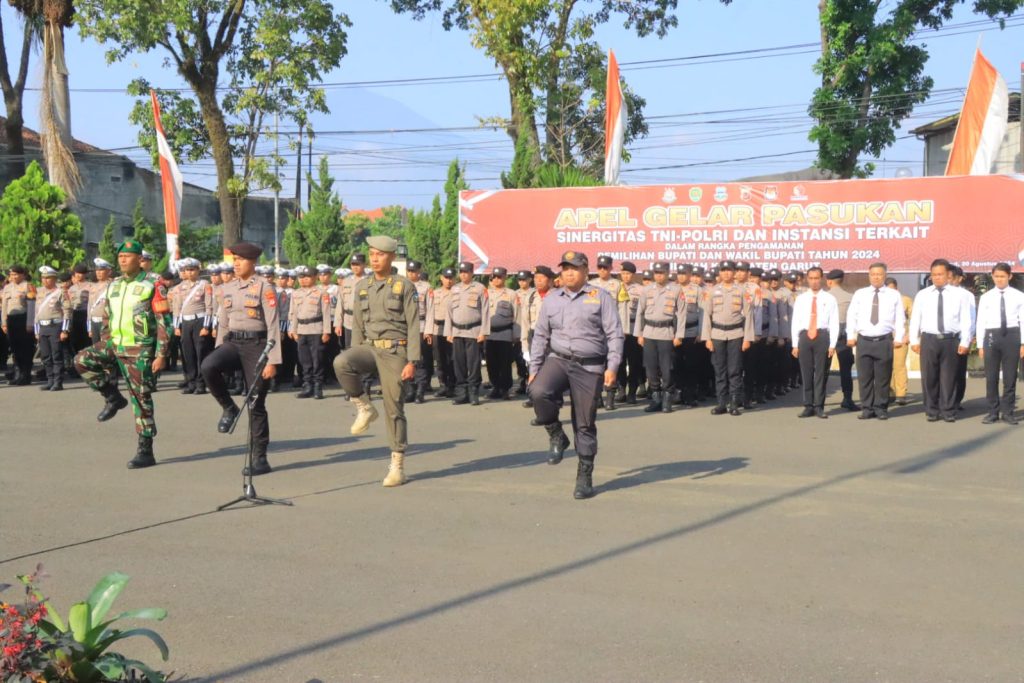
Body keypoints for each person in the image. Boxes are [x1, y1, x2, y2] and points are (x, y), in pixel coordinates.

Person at [528, 250, 623, 500]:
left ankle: (585, 473)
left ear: (585, 270)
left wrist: (612, 367)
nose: (569, 272)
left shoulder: (600, 297)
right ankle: (556, 434)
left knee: (584, 422)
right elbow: (540, 336)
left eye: (574, 268)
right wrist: (534, 369)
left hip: (589, 366)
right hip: (558, 359)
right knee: (538, 392)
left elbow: (614, 334)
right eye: (565, 268)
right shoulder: (552, 299)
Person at [332, 235, 420, 487]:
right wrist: (356, 355)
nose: (374, 257)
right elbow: (358, 324)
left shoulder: (404, 286)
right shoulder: (362, 286)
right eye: (371, 253)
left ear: (391, 256)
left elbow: (414, 325)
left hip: (396, 352)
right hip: (369, 348)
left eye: (379, 254)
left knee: (394, 409)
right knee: (341, 362)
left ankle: (397, 464)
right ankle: (364, 406)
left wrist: (412, 361)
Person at [75, 239, 171, 468]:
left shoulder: (153, 284)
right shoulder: (115, 284)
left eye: (128, 256)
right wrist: (105, 341)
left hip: (140, 350)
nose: (123, 260)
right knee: (81, 361)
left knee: (141, 398)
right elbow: (107, 315)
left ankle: (145, 450)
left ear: (140, 259)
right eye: (120, 257)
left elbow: (164, 321)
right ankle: (113, 397)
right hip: (115, 344)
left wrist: (161, 354)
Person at [200, 242, 281, 476]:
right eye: (233, 260)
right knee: (208, 366)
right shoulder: (227, 288)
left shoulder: (264, 287)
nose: (235, 264)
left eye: (240, 260)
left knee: (256, 403)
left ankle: (260, 457)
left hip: (258, 346)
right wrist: (219, 351)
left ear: (252, 262)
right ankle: (228, 408)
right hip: (233, 343)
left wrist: (272, 361)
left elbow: (274, 324)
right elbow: (223, 321)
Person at [909, 259, 974, 423]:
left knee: (949, 377)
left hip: (950, 340)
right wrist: (914, 340)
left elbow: (967, 319)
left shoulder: (960, 295)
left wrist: (965, 341)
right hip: (929, 339)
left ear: (948, 275)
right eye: (934, 275)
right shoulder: (923, 295)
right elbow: (915, 318)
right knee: (929, 376)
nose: (937, 278)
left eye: (940, 274)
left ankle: (948, 410)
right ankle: (931, 410)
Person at [847, 262, 906, 420]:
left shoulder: (893, 295)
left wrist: (899, 337)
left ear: (884, 275)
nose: (876, 277)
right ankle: (867, 408)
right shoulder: (860, 293)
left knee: (882, 377)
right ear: (869, 275)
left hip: (884, 340)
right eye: (873, 274)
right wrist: (850, 336)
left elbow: (900, 317)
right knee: (865, 377)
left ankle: (881, 408)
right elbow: (852, 315)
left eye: (879, 274)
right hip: (864, 341)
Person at [701, 260, 754, 416]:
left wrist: (747, 339)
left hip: (736, 334)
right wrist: (707, 339)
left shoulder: (742, 291)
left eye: (729, 270)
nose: (726, 273)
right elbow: (707, 316)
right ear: (719, 273)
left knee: (735, 370)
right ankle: (721, 403)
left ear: (734, 272)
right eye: (723, 270)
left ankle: (734, 403)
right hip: (717, 334)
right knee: (720, 370)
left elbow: (749, 315)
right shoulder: (712, 291)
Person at [633, 261, 685, 414]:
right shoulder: (646, 290)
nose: (659, 275)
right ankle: (656, 399)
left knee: (667, 368)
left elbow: (681, 314)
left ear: (668, 273)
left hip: (666, 333)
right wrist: (639, 333)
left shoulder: (676, 290)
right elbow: (640, 312)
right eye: (656, 273)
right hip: (649, 332)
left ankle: (667, 399)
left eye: (661, 273)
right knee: (650, 367)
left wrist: (679, 335)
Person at [976, 262, 1024, 424]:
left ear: (1010, 276)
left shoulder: (1019, 296)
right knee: (991, 377)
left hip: (1012, 335)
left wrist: (1023, 343)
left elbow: (1023, 320)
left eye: (1003, 276)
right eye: (996, 276)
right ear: (992, 276)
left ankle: (1008, 412)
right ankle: (992, 411)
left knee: (1010, 377)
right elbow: (981, 321)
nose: (999, 280)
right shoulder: (986, 297)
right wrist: (980, 345)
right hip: (991, 336)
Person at [791, 267, 839, 418]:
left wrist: (832, 344)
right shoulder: (801, 298)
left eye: (816, 278)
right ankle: (808, 405)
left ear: (822, 278)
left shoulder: (829, 298)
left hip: (822, 336)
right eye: (811, 278)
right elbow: (795, 322)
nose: (814, 281)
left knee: (821, 373)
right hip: (805, 336)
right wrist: (795, 343)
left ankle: (819, 406)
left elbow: (834, 322)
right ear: (807, 279)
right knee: (806, 373)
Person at [445, 261, 490, 405]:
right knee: (459, 364)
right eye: (461, 272)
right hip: (457, 331)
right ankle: (462, 393)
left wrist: (484, 332)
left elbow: (486, 311)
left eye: (466, 272)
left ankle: (473, 392)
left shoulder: (479, 288)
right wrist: (448, 332)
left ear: (472, 273)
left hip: (474, 332)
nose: (463, 274)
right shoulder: (454, 289)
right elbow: (449, 311)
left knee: (474, 364)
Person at [589, 255, 630, 409]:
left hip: (612, 330)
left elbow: (623, 308)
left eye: (605, 267)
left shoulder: (618, 285)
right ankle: (597, 396)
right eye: (600, 267)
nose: (602, 270)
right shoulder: (590, 285)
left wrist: (623, 330)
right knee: (596, 363)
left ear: (611, 268)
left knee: (613, 363)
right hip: (595, 331)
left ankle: (610, 397)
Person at [289, 265, 331, 399]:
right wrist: (293, 329)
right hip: (301, 330)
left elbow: (326, 313)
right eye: (301, 277)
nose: (303, 280)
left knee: (317, 359)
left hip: (316, 329)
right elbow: (293, 313)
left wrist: (326, 332)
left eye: (307, 277)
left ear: (314, 277)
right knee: (304, 360)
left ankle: (318, 386)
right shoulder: (296, 293)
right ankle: (307, 386)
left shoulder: (321, 293)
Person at [173, 258, 214, 395]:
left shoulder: (204, 285)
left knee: (200, 353)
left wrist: (206, 327)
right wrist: (176, 327)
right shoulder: (179, 287)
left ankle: (201, 384)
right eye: (186, 270)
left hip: (200, 321)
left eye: (192, 269)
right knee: (188, 354)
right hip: (185, 322)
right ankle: (191, 382)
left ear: (198, 270)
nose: (189, 273)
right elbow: (177, 308)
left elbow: (209, 307)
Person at [518, 265, 555, 411]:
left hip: (553, 337)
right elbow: (525, 323)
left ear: (550, 280)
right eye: (536, 278)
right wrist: (524, 346)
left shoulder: (557, 295)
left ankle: (552, 397)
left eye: (541, 278)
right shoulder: (530, 296)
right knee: (534, 367)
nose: (538, 281)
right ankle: (533, 396)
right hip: (534, 336)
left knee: (551, 368)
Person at [34, 266, 72, 391]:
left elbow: (67, 311)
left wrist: (65, 330)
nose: (45, 280)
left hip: (55, 326)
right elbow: (36, 312)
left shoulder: (60, 292)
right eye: (43, 278)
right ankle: (49, 380)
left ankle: (58, 381)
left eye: (48, 278)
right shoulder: (39, 292)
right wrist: (36, 330)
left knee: (56, 355)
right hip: (43, 327)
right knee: (45, 356)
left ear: (54, 278)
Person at [826, 269, 859, 411]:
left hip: (827, 334)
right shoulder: (850, 297)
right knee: (846, 369)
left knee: (823, 369)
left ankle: (818, 400)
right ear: (842, 280)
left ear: (829, 281)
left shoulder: (824, 297)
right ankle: (847, 398)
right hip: (844, 334)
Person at [484, 266, 518, 400]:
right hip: (489, 334)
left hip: (505, 334)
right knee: (491, 363)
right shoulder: (486, 293)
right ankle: (495, 387)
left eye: (500, 277)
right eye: (495, 277)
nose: (497, 279)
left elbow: (517, 315)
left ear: (505, 277)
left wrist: (516, 334)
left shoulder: (511, 294)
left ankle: (505, 389)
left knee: (505, 363)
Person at [404, 260, 434, 403]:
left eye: (414, 271)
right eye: (409, 271)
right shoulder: (401, 285)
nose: (411, 273)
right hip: (405, 327)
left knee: (420, 359)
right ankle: (410, 389)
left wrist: (429, 330)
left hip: (421, 325)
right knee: (407, 359)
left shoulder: (426, 287)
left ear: (419, 271)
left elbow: (430, 310)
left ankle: (421, 390)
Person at [2, 265, 36, 385]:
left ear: (22, 275)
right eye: (11, 275)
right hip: (11, 320)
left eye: (16, 274)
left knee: (25, 348)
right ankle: (18, 373)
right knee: (14, 348)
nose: (13, 277)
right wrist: (4, 323)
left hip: (24, 319)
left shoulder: (28, 286)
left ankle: (26, 375)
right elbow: (5, 306)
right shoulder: (7, 287)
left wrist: (30, 323)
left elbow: (32, 306)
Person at [618, 261, 646, 404]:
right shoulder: (616, 288)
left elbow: (644, 312)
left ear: (633, 275)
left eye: (628, 273)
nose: (625, 276)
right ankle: (621, 389)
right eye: (623, 273)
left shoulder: (640, 290)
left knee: (634, 363)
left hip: (634, 330)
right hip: (618, 331)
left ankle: (632, 392)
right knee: (619, 362)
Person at [426, 267, 456, 398]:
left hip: (451, 330)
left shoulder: (457, 293)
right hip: (437, 329)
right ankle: (443, 384)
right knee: (439, 359)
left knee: (452, 359)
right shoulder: (435, 293)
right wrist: (429, 331)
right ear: (441, 278)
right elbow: (430, 312)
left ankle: (452, 385)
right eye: (446, 278)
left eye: (451, 278)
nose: (449, 281)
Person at [949, 265, 976, 410]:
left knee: (959, 371)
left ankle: (956, 400)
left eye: (951, 278)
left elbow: (971, 319)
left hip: (960, 338)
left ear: (959, 279)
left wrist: (968, 338)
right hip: (945, 338)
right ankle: (944, 400)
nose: (948, 281)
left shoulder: (967, 295)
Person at [885, 277, 913, 406]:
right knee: (886, 367)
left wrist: (909, 335)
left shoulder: (905, 300)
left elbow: (915, 319)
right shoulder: (882, 300)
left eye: (893, 289)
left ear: (897, 288)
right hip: (884, 338)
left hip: (900, 339)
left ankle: (901, 394)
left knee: (899, 366)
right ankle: (890, 392)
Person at [512, 270, 534, 396]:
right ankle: (521, 383)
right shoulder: (515, 294)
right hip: (518, 329)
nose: (521, 282)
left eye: (524, 279)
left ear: (529, 280)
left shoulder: (534, 293)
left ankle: (532, 384)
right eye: (520, 280)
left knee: (532, 359)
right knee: (519, 359)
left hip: (531, 330)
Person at [87, 259, 114, 346]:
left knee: (106, 347)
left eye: (101, 270)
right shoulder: (92, 286)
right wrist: (89, 326)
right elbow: (89, 306)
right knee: (95, 347)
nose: (98, 272)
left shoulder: (112, 285)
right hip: (94, 321)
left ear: (108, 271)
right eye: (97, 270)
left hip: (106, 322)